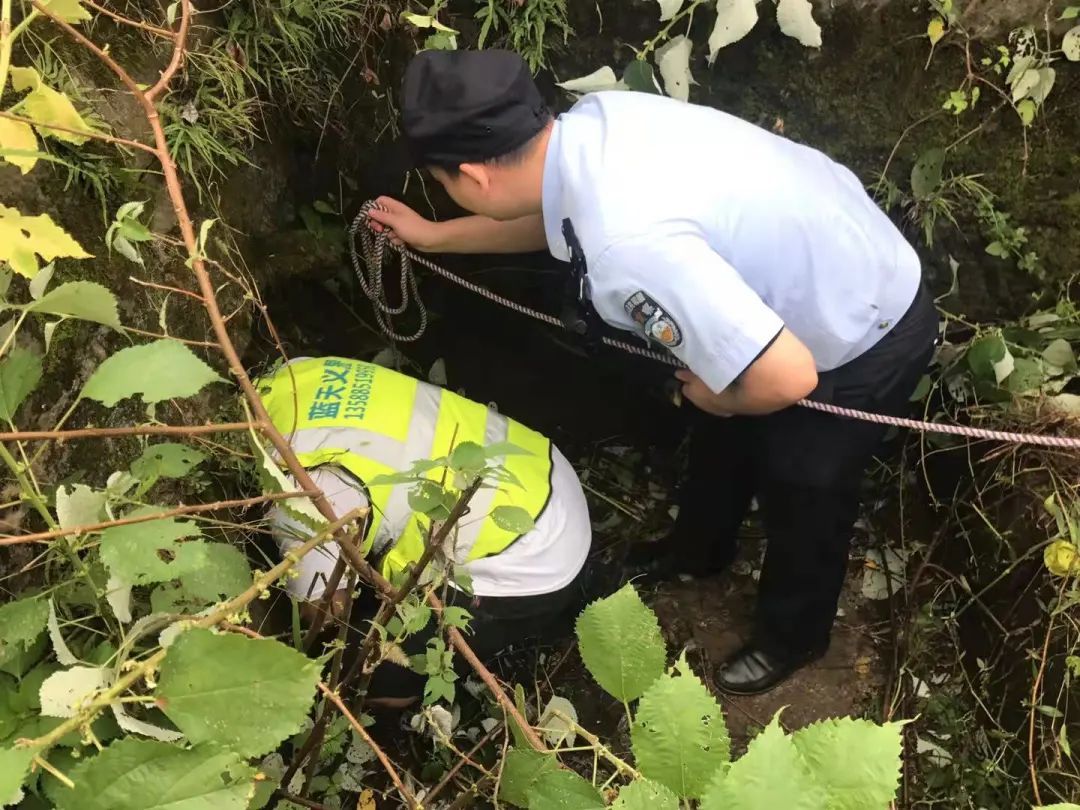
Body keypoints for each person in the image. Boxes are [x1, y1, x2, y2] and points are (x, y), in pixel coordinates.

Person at [365, 49, 940, 696]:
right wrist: (441, 238)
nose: (448, 192)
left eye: (443, 183)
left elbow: (789, 379)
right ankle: (699, 549)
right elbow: (554, 223)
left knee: (804, 483)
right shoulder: (593, 125)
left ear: (474, 174)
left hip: (860, 324)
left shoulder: (627, 246)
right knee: (720, 432)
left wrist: (722, 398)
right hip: (812, 257)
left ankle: (795, 635)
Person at [256, 355, 592, 703]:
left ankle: (396, 696)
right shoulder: (294, 376)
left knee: (367, 668)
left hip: (536, 556)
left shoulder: (301, 505)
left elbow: (325, 614)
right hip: (544, 468)